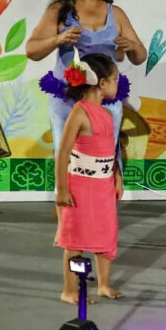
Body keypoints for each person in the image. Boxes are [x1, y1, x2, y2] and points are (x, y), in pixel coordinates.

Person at [27, 0, 146, 152]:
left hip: (104, 97)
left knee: (104, 155)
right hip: (67, 96)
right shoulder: (59, 11)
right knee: (68, 155)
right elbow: (32, 50)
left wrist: (133, 47)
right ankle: (65, 185)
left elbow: (140, 56)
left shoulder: (115, 13)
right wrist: (58, 39)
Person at [54, 52, 123, 304]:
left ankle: (104, 284)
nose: (118, 84)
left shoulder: (106, 114)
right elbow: (62, 154)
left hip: (103, 186)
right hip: (80, 187)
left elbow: (110, 149)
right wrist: (62, 189)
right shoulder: (79, 113)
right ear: (102, 83)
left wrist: (116, 175)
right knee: (76, 238)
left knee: (107, 234)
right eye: (115, 79)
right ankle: (70, 290)